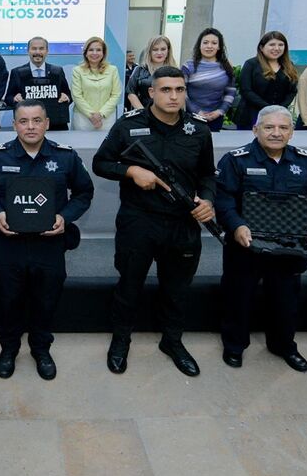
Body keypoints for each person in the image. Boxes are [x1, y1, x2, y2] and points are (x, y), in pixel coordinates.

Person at [93, 67, 217, 376]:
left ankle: (172, 341)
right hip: (140, 221)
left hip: (183, 222)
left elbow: (207, 174)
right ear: (152, 93)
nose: (173, 96)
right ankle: (121, 341)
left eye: (179, 89)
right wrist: (132, 172)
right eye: (166, 90)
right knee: (129, 285)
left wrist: (208, 201)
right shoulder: (128, 125)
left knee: (177, 289)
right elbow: (101, 163)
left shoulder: (199, 130)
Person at [0, 100, 94, 380]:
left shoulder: (65, 157)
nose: (30, 126)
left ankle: (41, 348)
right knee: (8, 299)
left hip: (50, 245)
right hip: (9, 244)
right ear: (14, 124)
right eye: (24, 121)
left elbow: (84, 193)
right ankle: (9, 348)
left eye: (37, 120)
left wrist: (65, 216)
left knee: (46, 299)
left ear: (47, 123)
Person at [214, 105, 307, 371]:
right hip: (246, 245)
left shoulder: (306, 161)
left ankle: (283, 346)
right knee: (238, 298)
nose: (276, 133)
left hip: (290, 246)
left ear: (291, 132)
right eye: (269, 127)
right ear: (256, 130)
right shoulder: (235, 160)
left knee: (286, 299)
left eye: (283, 128)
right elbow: (223, 200)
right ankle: (234, 346)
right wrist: (236, 226)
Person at [5, 36, 72, 131]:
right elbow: (8, 98)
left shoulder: (57, 71)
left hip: (56, 125)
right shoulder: (17, 72)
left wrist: (67, 97)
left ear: (47, 51)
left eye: (41, 49)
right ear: (28, 51)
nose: (37, 52)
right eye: (34, 49)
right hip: (29, 127)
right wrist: (14, 99)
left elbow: (69, 95)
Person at [235, 31, 298, 130]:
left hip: (278, 116)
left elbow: (292, 91)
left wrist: (279, 109)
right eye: (272, 44)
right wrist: (268, 108)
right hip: (251, 115)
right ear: (261, 47)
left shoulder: (289, 66)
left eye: (281, 45)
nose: (276, 48)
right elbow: (246, 90)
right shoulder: (251, 64)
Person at [183, 28, 237, 132]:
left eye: (214, 43)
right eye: (205, 42)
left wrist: (220, 111)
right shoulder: (188, 66)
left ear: (219, 46)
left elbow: (231, 92)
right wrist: (197, 112)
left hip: (216, 117)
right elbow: (182, 92)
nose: (209, 46)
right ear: (199, 45)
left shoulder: (227, 66)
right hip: (191, 116)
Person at [70, 36, 121, 131]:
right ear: (85, 53)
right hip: (83, 119)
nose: (94, 53)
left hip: (107, 118)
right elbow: (77, 96)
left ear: (103, 53)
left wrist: (101, 114)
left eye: (98, 50)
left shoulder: (113, 70)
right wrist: (91, 115)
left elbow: (116, 94)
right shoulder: (77, 71)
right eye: (91, 50)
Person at [125, 35, 176, 111]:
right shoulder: (139, 69)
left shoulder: (175, 71)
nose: (159, 53)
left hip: (167, 114)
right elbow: (130, 92)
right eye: (155, 49)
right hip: (143, 114)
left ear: (168, 51)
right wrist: (142, 112)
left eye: (163, 49)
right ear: (149, 51)